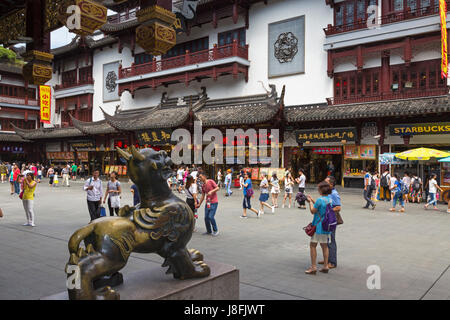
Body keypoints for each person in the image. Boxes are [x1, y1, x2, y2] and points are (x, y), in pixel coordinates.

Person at [305, 181, 333, 275]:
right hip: (326, 226)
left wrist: (309, 202)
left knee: (313, 245)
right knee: (324, 246)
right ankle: (326, 266)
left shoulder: (320, 200)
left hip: (318, 226)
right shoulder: (329, 199)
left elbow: (313, 211)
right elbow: (321, 208)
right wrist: (313, 200)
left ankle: (313, 267)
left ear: (321, 190)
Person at [321, 176, 341, 270]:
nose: (324, 184)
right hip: (326, 218)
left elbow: (338, 207)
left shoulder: (334, 194)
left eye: (326, 182)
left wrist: (328, 211)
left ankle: (332, 262)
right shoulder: (327, 192)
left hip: (331, 219)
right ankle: (326, 259)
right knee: (325, 239)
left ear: (331, 185)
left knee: (331, 239)